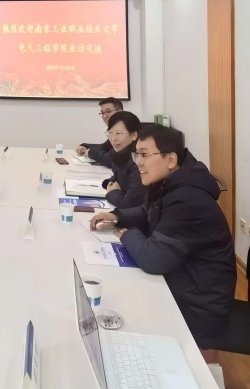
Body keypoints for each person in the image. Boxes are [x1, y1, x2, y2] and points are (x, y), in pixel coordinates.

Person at [90, 125, 236, 357]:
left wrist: (127, 234)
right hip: (182, 280)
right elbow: (147, 211)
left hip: (197, 303)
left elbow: (154, 258)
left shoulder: (188, 198)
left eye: (145, 155)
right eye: (136, 155)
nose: (138, 162)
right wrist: (117, 216)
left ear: (170, 159)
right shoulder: (170, 181)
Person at [102, 111, 145, 209]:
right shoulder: (119, 155)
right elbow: (121, 176)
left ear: (134, 135)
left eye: (118, 133)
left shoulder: (138, 161)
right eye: (110, 133)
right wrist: (109, 183)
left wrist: (113, 192)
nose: (113, 139)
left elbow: (129, 204)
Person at [75, 97, 123, 167]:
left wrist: (90, 151)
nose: (105, 116)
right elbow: (104, 147)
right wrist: (85, 146)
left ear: (120, 112)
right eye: (102, 112)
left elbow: (114, 161)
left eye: (108, 111)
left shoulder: (128, 130)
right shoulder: (115, 130)